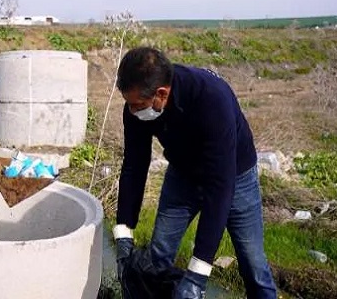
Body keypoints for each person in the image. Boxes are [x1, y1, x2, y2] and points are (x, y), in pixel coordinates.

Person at [112, 47, 277, 299]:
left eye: (138, 105)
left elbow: (219, 188)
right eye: (129, 104)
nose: (132, 111)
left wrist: (197, 276)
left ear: (161, 94)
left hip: (234, 177)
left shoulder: (211, 99)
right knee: (158, 255)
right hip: (183, 175)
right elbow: (134, 166)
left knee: (253, 263)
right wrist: (123, 233)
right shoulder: (136, 106)